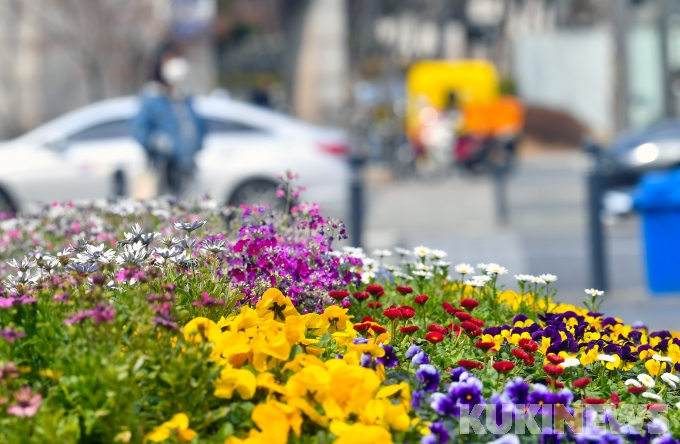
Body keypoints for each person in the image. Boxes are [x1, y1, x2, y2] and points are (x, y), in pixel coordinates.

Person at [131, 42, 205, 196]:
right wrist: (156, 142)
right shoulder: (152, 96)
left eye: (176, 58)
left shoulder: (184, 96)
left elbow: (199, 126)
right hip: (164, 167)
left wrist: (197, 146)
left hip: (188, 166)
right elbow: (138, 129)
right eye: (169, 59)